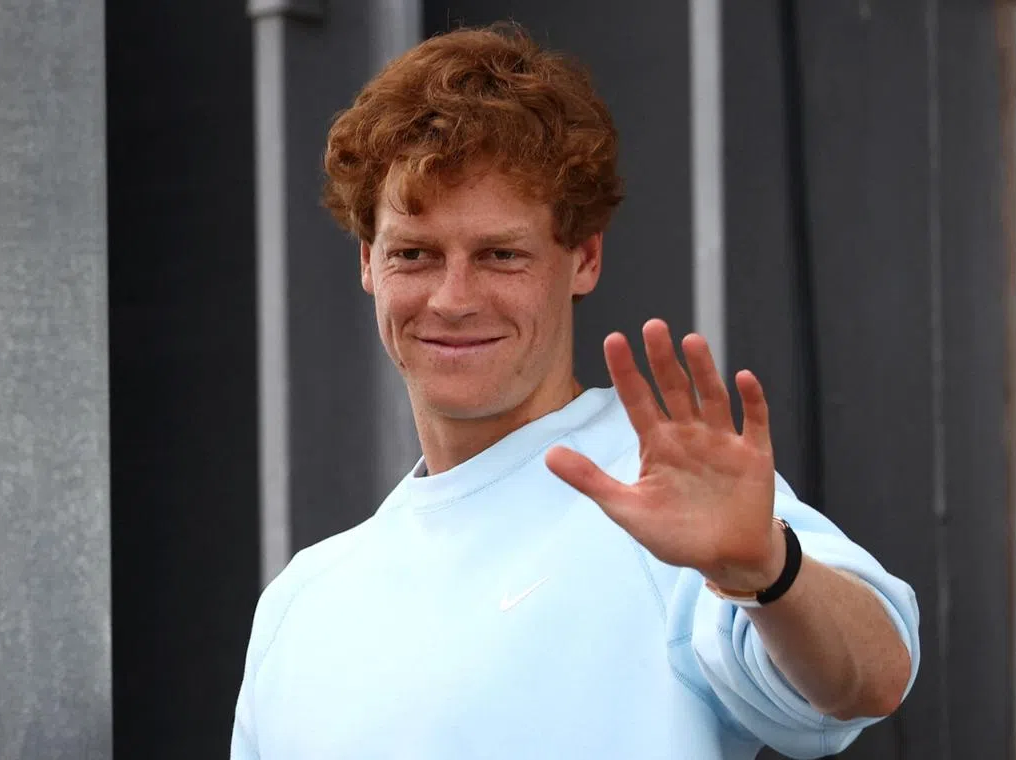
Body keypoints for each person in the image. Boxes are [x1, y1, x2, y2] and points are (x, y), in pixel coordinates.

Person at [230, 23, 919, 760]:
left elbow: (871, 681)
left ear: (584, 258)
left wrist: (763, 569)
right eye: (415, 254)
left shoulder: (662, 499)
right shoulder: (300, 605)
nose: (453, 298)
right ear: (369, 262)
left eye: (501, 254)